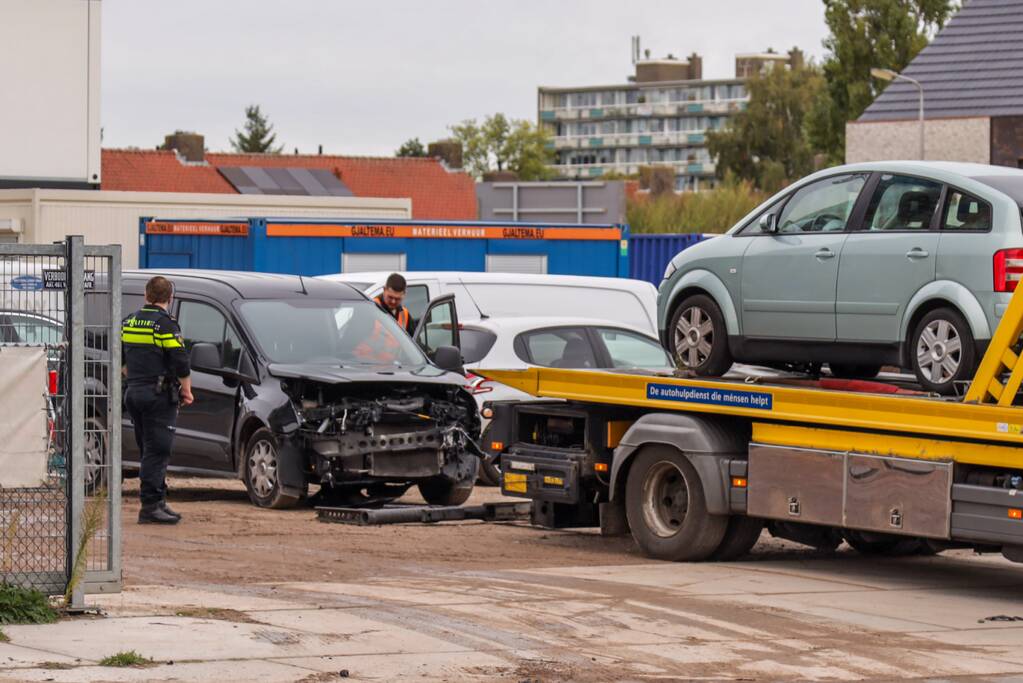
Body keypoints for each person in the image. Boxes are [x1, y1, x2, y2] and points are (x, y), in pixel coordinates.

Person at [122, 276, 194, 525]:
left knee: (148, 448)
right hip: (157, 395)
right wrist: (187, 390)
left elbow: (122, 359)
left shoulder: (129, 321)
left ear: (146, 295)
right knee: (158, 449)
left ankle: (158, 501)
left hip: (133, 392)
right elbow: (180, 359)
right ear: (169, 298)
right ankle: (151, 506)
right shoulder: (165, 324)